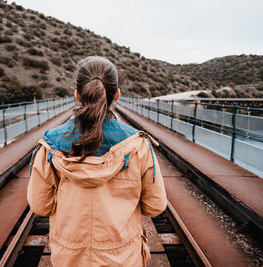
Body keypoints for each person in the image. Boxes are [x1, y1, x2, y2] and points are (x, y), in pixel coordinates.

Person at [27, 56, 167, 266]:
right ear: (117, 94)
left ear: (77, 95)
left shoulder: (50, 145)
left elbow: (41, 206)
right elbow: (155, 206)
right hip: (123, 258)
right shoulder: (138, 144)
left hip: (70, 258)